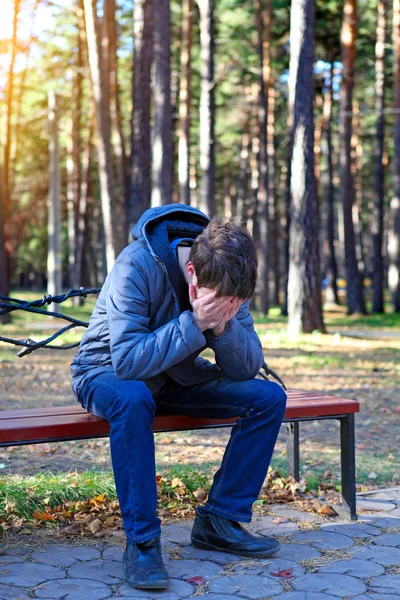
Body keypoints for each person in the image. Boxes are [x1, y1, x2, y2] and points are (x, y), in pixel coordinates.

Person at [70, 203, 287, 590]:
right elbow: (127, 362)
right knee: (134, 397)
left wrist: (224, 328)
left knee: (267, 396)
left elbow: (246, 366)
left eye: (235, 303)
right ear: (192, 272)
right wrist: (195, 322)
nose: (227, 306)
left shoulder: (230, 273)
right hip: (105, 373)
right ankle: (142, 544)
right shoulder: (135, 265)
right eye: (219, 299)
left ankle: (220, 520)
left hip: (176, 376)